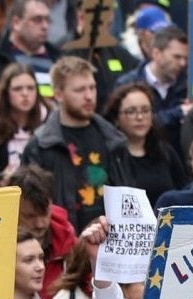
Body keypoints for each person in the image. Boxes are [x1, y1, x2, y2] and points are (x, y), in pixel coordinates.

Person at [22, 54, 131, 228]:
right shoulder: (41, 145)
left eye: (92, 88)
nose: (89, 96)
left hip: (111, 240)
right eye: (80, 90)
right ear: (58, 94)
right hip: (66, 240)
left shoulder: (113, 139)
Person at [104, 82, 186, 206]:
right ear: (116, 119)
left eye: (146, 110)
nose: (140, 117)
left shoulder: (166, 152)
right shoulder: (111, 157)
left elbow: (182, 191)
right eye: (131, 111)